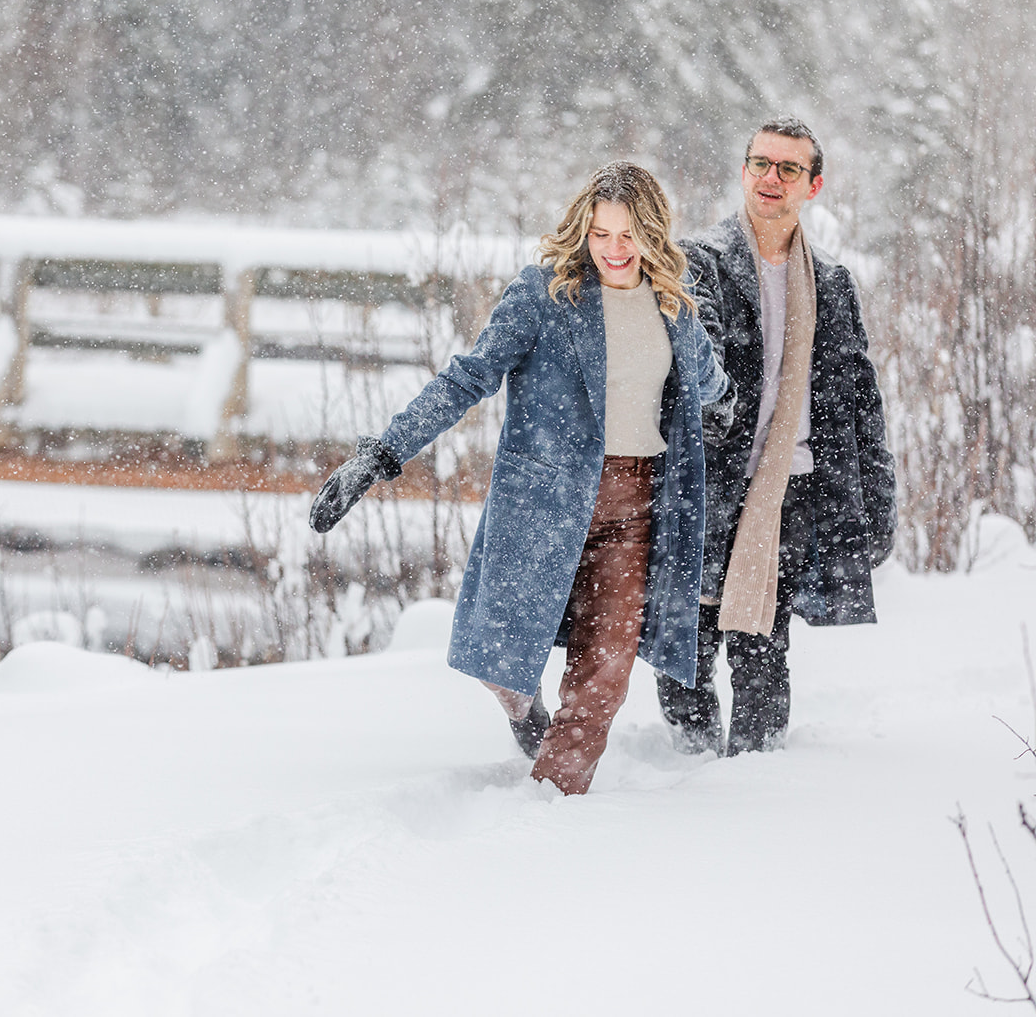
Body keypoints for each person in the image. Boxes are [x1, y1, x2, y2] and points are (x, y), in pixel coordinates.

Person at [309, 161, 729, 795]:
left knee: (606, 671)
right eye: (601, 234)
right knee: (503, 668)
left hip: (635, 509)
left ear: (653, 234)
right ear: (583, 231)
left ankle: (551, 804)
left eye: (629, 235)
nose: (615, 250)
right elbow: (467, 377)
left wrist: (730, 410)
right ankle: (522, 712)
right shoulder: (546, 295)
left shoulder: (673, 304)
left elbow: (708, 381)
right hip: (543, 507)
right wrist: (382, 453)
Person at [655, 117, 896, 756]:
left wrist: (877, 496)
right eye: (761, 163)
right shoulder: (697, 264)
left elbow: (859, 401)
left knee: (763, 641)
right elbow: (677, 373)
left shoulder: (833, 283)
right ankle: (689, 762)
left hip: (790, 485)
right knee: (689, 640)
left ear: (812, 186)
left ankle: (759, 779)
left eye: (788, 168)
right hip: (710, 482)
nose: (771, 178)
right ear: (743, 171)